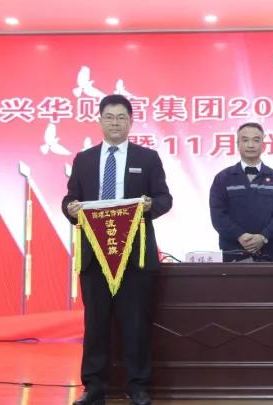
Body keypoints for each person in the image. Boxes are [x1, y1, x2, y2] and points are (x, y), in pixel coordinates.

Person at [62, 94, 172, 405]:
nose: (115, 123)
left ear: (131, 122)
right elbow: (69, 199)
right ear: (99, 120)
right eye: (109, 117)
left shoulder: (147, 158)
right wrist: (70, 209)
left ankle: (138, 387)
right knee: (95, 324)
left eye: (121, 117)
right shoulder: (84, 159)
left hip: (134, 256)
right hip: (95, 254)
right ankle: (93, 387)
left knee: (135, 324)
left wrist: (150, 205)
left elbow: (164, 199)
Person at [209, 122, 273, 262]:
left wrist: (263, 237)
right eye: (245, 140)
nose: (250, 145)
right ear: (238, 144)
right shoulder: (223, 178)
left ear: (263, 145)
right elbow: (218, 215)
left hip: (269, 256)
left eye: (256, 140)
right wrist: (239, 235)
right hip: (232, 256)